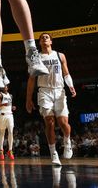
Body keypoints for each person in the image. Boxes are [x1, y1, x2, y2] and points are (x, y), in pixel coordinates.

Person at [25, 33, 76, 166]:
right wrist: (28, 99)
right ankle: (53, 153)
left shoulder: (60, 55)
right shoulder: (36, 58)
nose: (44, 39)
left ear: (51, 41)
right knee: (50, 122)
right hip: (44, 91)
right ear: (39, 43)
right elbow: (31, 80)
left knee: (63, 123)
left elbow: (66, 73)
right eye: (42, 38)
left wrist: (71, 86)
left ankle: (67, 141)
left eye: (47, 37)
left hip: (59, 90)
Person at [0, 84, 16, 160]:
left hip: (10, 115)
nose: (4, 87)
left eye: (6, 86)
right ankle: (1, 151)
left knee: (11, 132)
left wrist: (12, 107)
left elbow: (10, 105)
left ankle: (10, 150)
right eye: (3, 86)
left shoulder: (10, 95)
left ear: (7, 87)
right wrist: (4, 104)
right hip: (2, 115)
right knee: (2, 133)